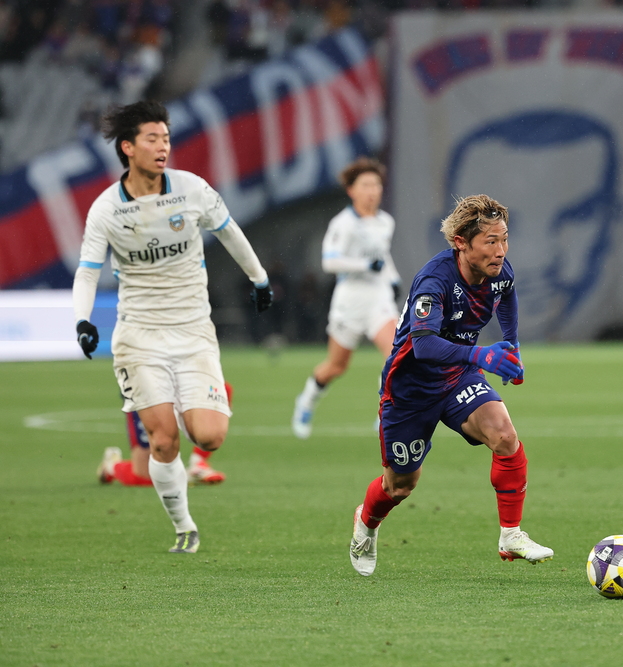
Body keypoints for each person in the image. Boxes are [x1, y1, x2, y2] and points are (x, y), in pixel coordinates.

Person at [73, 100, 273, 554]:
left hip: (193, 332)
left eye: (166, 138)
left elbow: (229, 231)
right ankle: (184, 526)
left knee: (209, 436)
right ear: (128, 147)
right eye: (152, 139)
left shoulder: (192, 189)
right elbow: (87, 270)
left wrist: (259, 278)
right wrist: (83, 320)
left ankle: (180, 405)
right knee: (163, 441)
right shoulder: (106, 209)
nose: (163, 146)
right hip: (139, 337)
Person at [348, 193, 553, 577]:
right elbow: (424, 346)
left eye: (504, 239)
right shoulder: (435, 281)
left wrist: (511, 348)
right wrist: (482, 355)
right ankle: (366, 521)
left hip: (458, 376)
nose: (500, 251)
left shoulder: (498, 270)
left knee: (504, 436)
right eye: (490, 241)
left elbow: (507, 293)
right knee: (400, 486)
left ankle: (510, 534)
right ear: (461, 242)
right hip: (410, 391)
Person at [291, 157, 399, 438]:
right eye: (365, 185)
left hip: (378, 299)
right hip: (350, 302)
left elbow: (383, 255)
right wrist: (365, 265)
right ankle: (306, 401)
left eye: (376, 184)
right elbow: (329, 262)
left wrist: (393, 277)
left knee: (397, 356)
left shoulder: (385, 221)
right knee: (336, 366)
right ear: (351, 190)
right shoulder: (343, 223)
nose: (372, 191)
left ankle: (385, 414)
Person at [97, 382, 233, 487]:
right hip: (145, 383)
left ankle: (198, 463)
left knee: (218, 390)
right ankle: (112, 466)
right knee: (148, 477)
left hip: (180, 371)